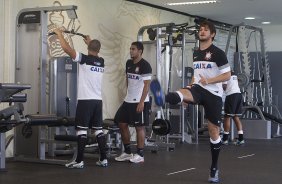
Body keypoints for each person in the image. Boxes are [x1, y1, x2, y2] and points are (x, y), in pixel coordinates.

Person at [151, 20, 231, 183]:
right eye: (201, 29)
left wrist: (210, 81)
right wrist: (189, 89)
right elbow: (197, 74)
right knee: (181, 93)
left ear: (212, 34)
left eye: (206, 30)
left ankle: (214, 168)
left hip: (213, 94)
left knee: (213, 131)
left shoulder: (218, 53)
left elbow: (227, 75)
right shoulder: (195, 52)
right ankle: (163, 98)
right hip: (198, 88)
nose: (202, 31)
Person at [53, 29, 108, 168]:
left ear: (89, 48)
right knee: (99, 130)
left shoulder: (84, 59)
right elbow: (95, 51)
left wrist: (59, 34)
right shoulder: (101, 61)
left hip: (85, 100)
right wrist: (90, 42)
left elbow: (67, 49)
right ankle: (104, 159)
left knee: (81, 130)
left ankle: (79, 161)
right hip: (97, 101)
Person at [114, 41, 152, 163]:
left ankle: (140, 154)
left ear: (140, 51)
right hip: (128, 100)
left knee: (139, 127)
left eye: (133, 49)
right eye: (130, 48)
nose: (131, 51)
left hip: (140, 101)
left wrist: (141, 102)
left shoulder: (145, 65)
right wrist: (127, 93)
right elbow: (127, 79)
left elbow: (147, 86)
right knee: (121, 123)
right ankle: (127, 152)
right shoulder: (129, 63)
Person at [222, 72, 245, 145]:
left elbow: (224, 87)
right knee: (236, 117)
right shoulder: (234, 75)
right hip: (239, 95)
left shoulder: (225, 75)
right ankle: (241, 139)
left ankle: (225, 139)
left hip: (231, 96)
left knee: (227, 117)